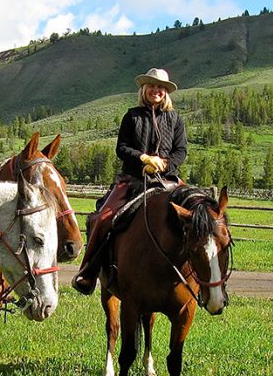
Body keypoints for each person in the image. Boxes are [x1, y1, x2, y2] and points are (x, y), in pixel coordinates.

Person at [72, 67, 188, 295]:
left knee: (198, 213)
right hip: (132, 178)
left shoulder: (175, 119)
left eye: (161, 87)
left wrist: (164, 164)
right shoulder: (131, 116)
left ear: (166, 93)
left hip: (167, 180)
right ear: (145, 89)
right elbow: (122, 148)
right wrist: (143, 158)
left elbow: (181, 150)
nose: (156, 90)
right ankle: (88, 272)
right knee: (103, 218)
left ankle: (199, 276)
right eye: (152, 86)